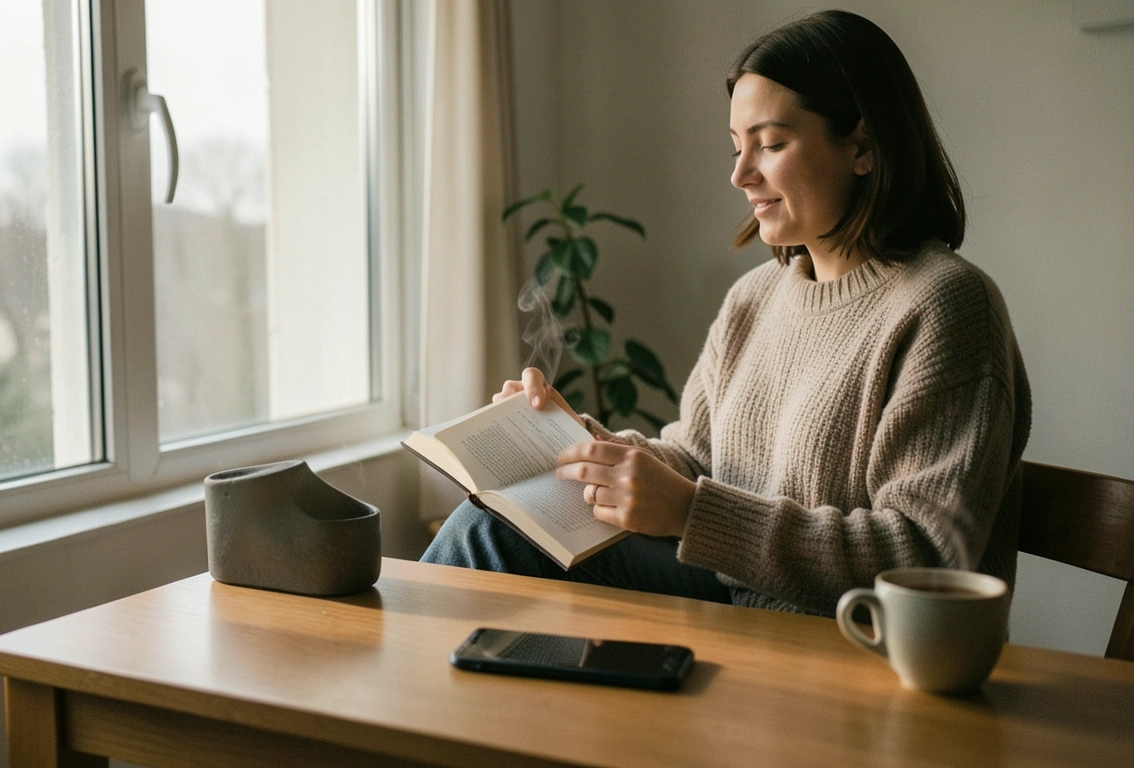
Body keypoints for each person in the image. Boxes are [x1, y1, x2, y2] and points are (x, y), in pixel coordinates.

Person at [421, 9, 1032, 618]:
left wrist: (692, 512)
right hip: (730, 601)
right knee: (497, 539)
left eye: (770, 144)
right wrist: (579, 447)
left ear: (864, 147)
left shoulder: (945, 306)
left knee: (489, 543)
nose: (740, 174)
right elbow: (696, 459)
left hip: (845, 642)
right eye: (738, 147)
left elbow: (925, 556)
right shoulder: (755, 298)